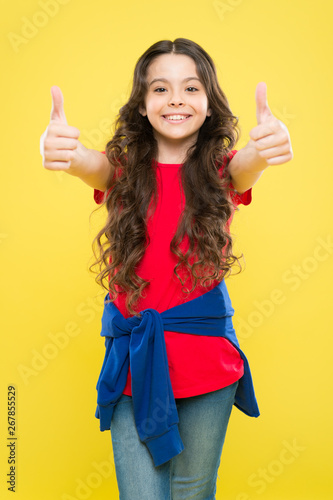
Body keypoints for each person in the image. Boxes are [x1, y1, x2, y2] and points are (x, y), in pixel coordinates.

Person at [40, 38, 292, 500]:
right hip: (135, 361)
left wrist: (268, 147)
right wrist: (65, 153)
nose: (176, 98)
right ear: (141, 105)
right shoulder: (120, 172)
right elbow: (87, 163)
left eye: (191, 87)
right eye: (160, 88)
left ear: (209, 104)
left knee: (194, 490)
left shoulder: (222, 172)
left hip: (207, 363)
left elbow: (250, 164)